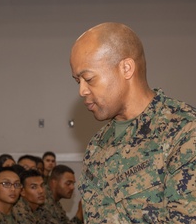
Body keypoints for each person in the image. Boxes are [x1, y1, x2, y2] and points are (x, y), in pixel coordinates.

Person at [70, 22, 196, 223]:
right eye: (78, 81)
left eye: (89, 79)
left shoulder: (184, 131)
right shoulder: (97, 146)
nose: (82, 91)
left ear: (126, 68)